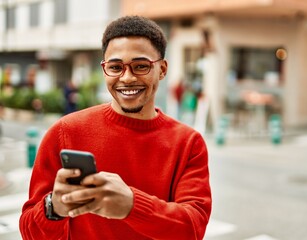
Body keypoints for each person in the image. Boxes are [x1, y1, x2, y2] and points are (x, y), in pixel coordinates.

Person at [19, 16, 212, 240]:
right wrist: (54, 208)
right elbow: (29, 232)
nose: (127, 78)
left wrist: (132, 206)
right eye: (115, 67)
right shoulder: (65, 132)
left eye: (141, 66)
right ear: (104, 70)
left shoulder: (188, 143)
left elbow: (193, 228)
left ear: (162, 69)